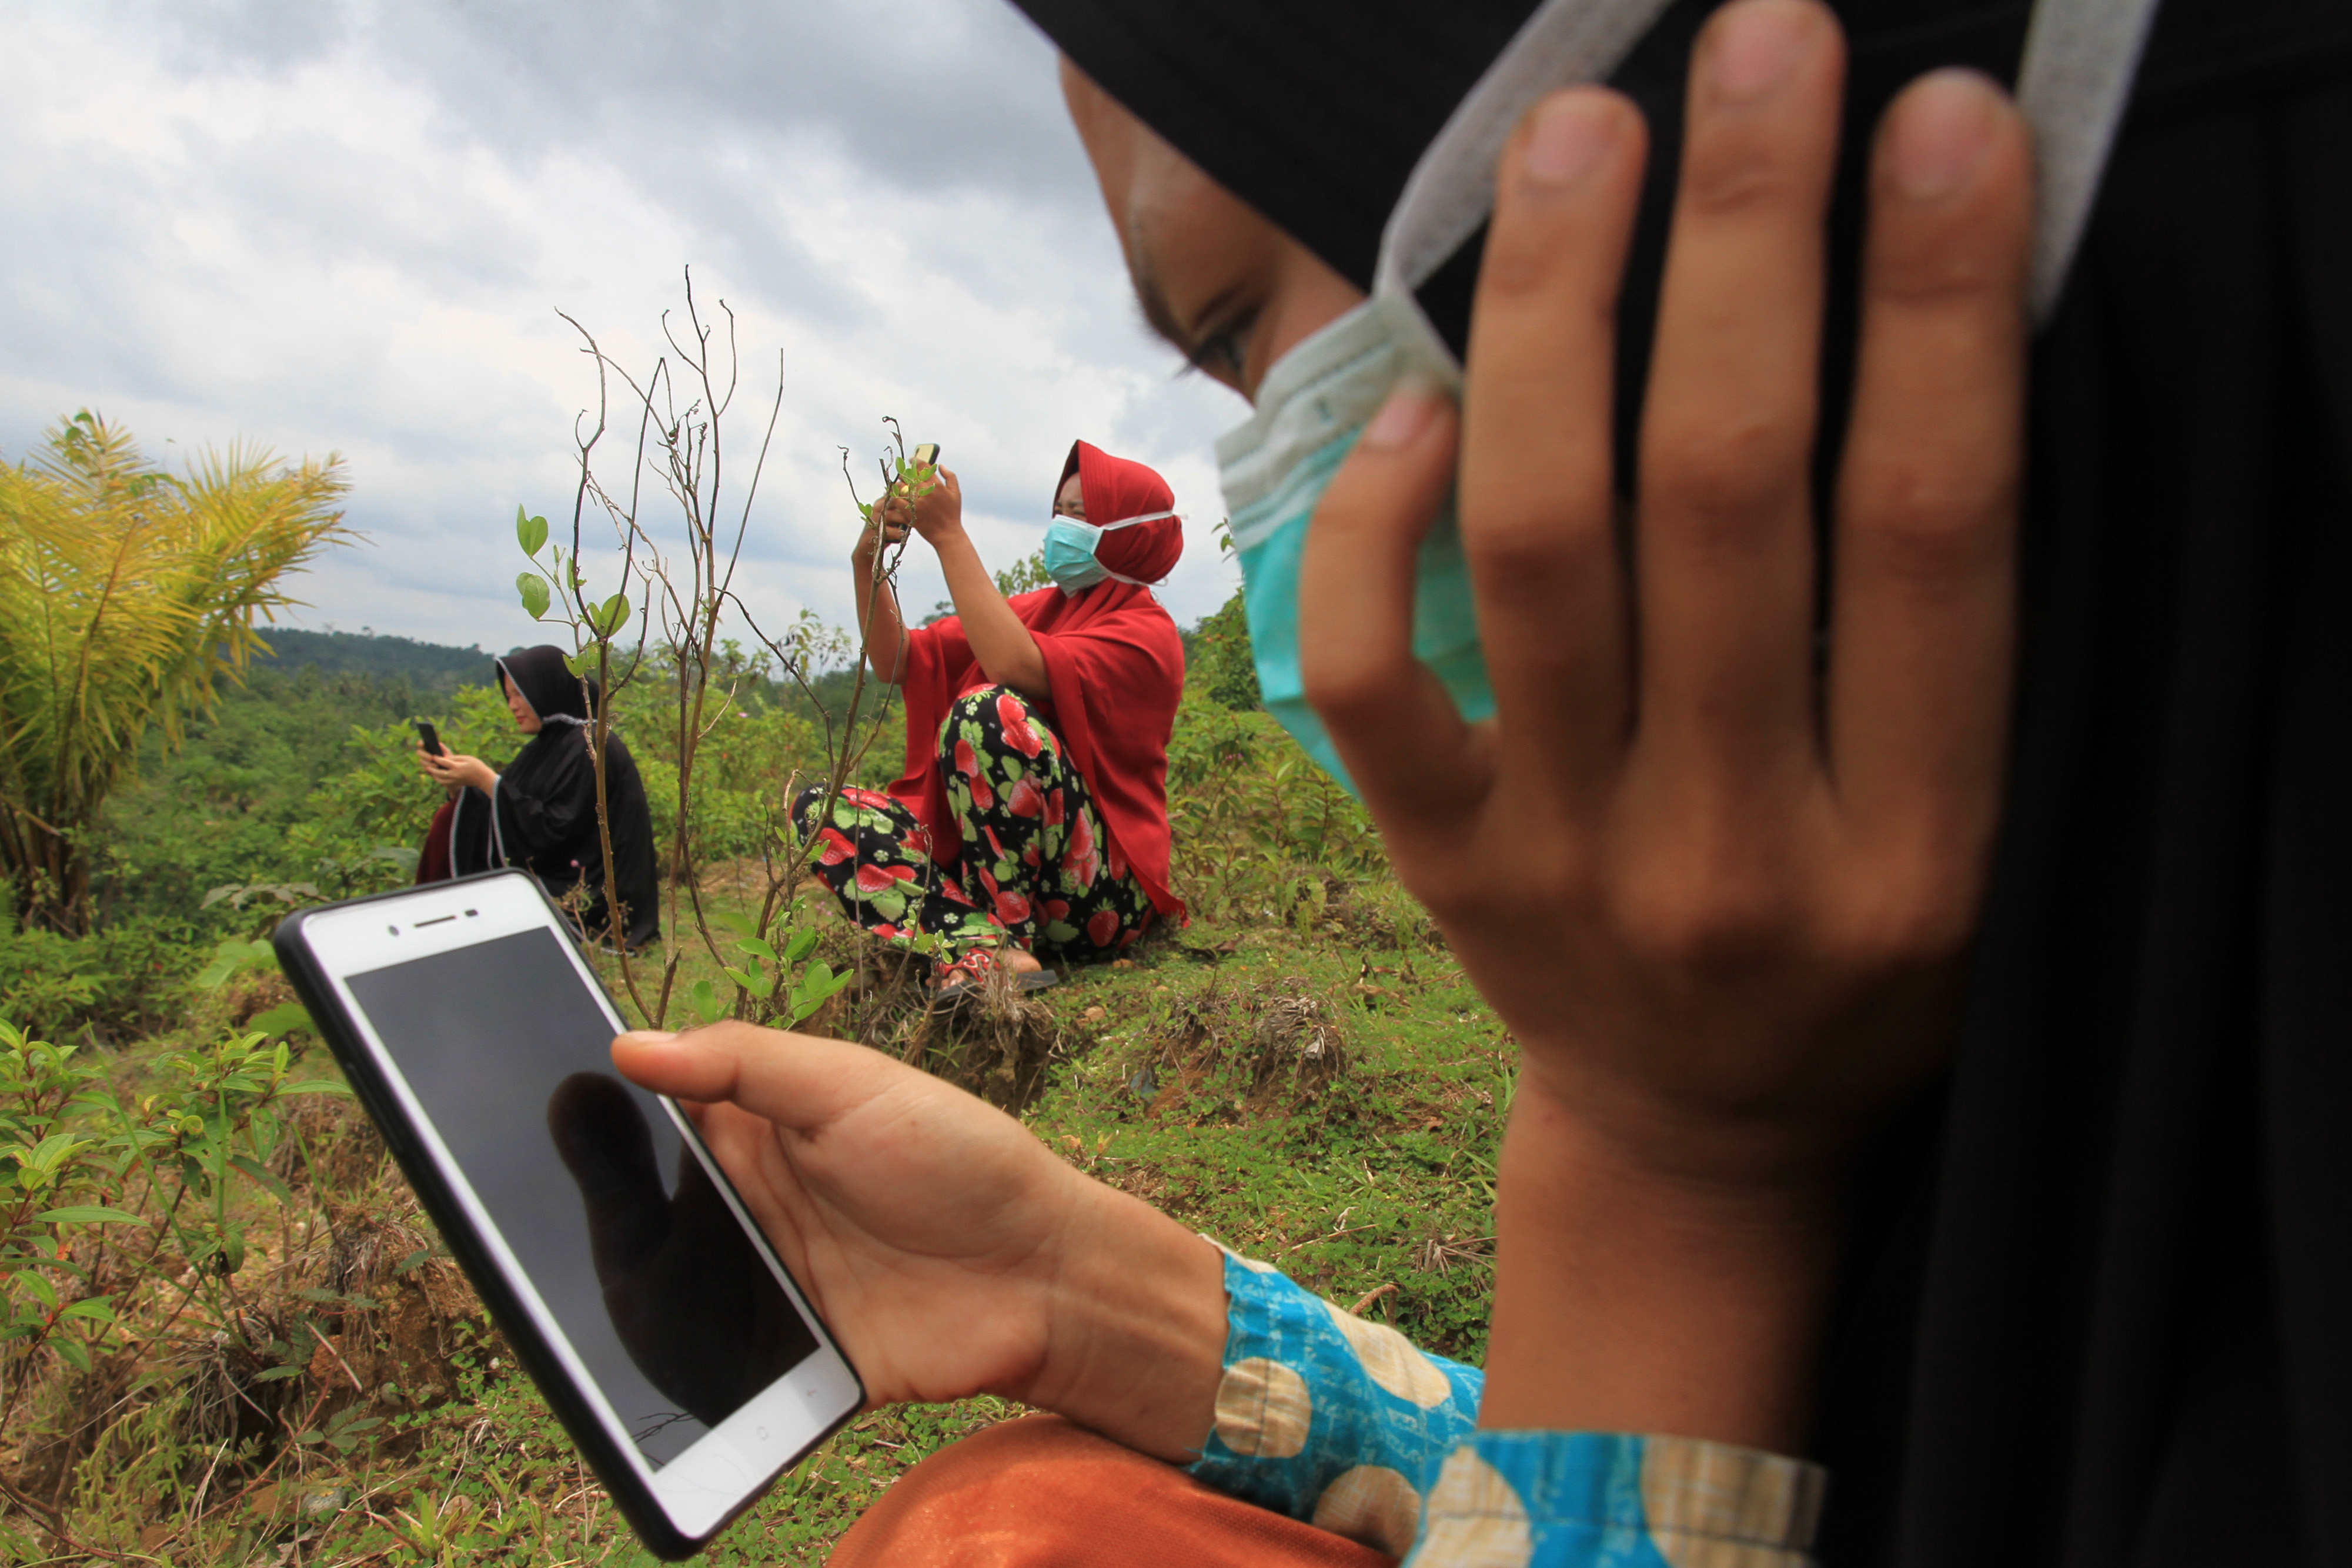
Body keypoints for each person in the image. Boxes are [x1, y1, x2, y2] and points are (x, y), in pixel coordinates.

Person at [597, 0, 2349, 1562]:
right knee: (1017, 1518)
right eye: (1212, 366)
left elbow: (999, 687)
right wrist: (1068, 1277)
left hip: (1092, 878)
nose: (1272, 439)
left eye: (1237, 317)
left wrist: (1666, 1157)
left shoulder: (1117, 629)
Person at [794, 441, 1187, 988]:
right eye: (1059, 510)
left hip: (1100, 897)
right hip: (1008, 883)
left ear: (1129, 533)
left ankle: (995, 941)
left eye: (1079, 513)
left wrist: (949, 536)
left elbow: (1011, 665)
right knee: (821, 810)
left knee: (985, 712)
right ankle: (986, 945)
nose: (1060, 525)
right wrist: (868, 561)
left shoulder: (1147, 636)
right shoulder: (1043, 609)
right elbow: (898, 659)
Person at [417, 646, 660, 952]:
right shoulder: (548, 745)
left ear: (547, 690)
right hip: (559, 865)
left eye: (520, 694)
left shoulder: (590, 746)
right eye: (509, 696)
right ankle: (433, 922)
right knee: (449, 817)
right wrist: (459, 784)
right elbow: (507, 805)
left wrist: (484, 779)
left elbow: (556, 829)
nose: (513, 706)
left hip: (589, 888)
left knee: (452, 822)